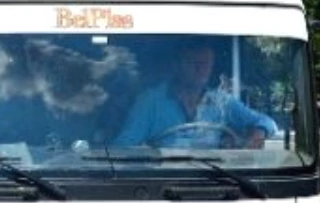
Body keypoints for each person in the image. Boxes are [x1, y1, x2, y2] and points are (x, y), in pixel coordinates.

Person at [112, 39, 278, 149]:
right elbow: (122, 148)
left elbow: (267, 122)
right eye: (194, 63)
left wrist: (258, 132)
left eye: (206, 63)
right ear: (176, 65)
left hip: (218, 181)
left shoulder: (223, 103)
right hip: (163, 182)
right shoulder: (150, 102)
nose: (201, 69)